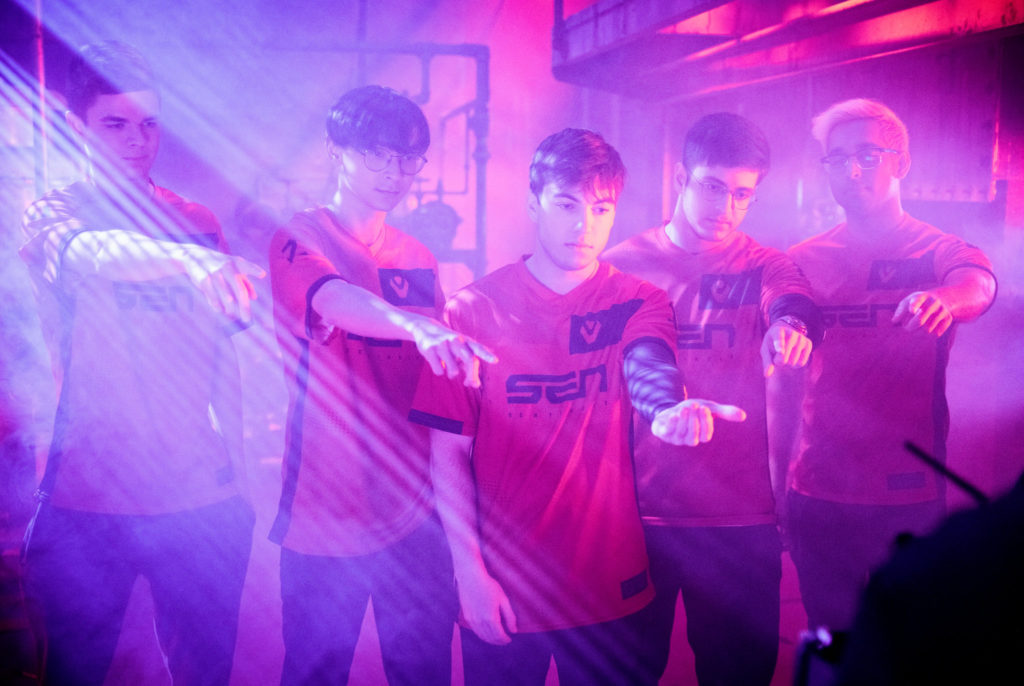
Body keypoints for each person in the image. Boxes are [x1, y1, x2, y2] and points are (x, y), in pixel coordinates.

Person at [409, 128, 745, 685]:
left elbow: (649, 361)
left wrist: (665, 408)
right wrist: (468, 574)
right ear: (534, 203)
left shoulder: (637, 300)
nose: (583, 225)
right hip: (505, 585)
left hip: (611, 590)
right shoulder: (471, 311)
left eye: (600, 208)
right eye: (566, 204)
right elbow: (448, 453)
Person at [19, 40, 261, 685]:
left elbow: (223, 360)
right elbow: (95, 252)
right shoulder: (54, 213)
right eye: (115, 125)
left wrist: (241, 479)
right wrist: (190, 260)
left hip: (200, 500)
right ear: (77, 126)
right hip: (85, 499)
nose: (137, 141)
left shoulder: (196, 220)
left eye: (149, 124)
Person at [267, 85, 494, 686]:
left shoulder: (418, 257)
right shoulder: (299, 237)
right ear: (335, 149)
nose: (395, 173)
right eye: (377, 155)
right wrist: (415, 325)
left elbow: (437, 380)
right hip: (325, 514)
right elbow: (335, 298)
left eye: (408, 159)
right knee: (315, 673)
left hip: (415, 512)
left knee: (423, 670)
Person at [603, 112, 823, 686]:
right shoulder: (621, 266)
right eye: (712, 187)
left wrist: (789, 327)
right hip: (637, 517)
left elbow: (793, 298)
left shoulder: (764, 265)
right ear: (681, 177)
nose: (725, 207)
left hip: (739, 520)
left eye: (741, 194)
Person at [783, 98, 997, 632]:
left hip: (906, 490)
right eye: (837, 159)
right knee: (833, 641)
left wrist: (945, 299)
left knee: (907, 643)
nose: (852, 171)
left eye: (867, 156)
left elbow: (979, 284)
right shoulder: (801, 259)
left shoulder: (935, 248)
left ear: (901, 163)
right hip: (818, 486)